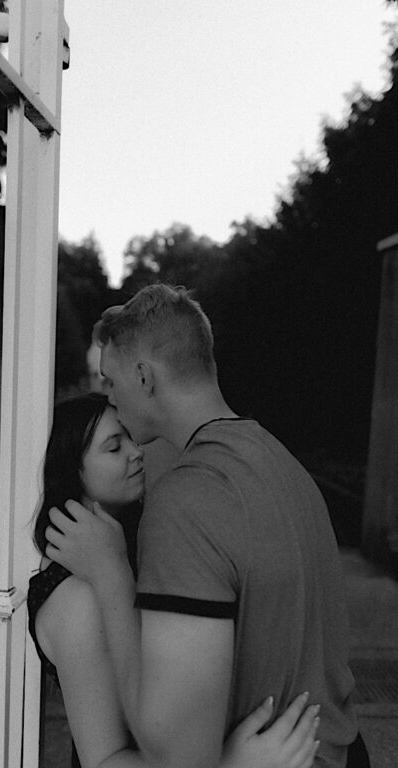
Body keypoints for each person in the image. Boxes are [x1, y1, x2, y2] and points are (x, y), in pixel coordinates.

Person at [44, 285, 367, 768]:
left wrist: (112, 576)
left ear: (144, 376)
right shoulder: (284, 465)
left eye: (110, 381)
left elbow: (175, 754)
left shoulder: (187, 499)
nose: (107, 394)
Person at [29, 392, 320, 768]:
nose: (137, 452)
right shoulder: (77, 598)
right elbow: (104, 761)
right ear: (72, 474)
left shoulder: (138, 546)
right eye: (114, 447)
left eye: (130, 438)